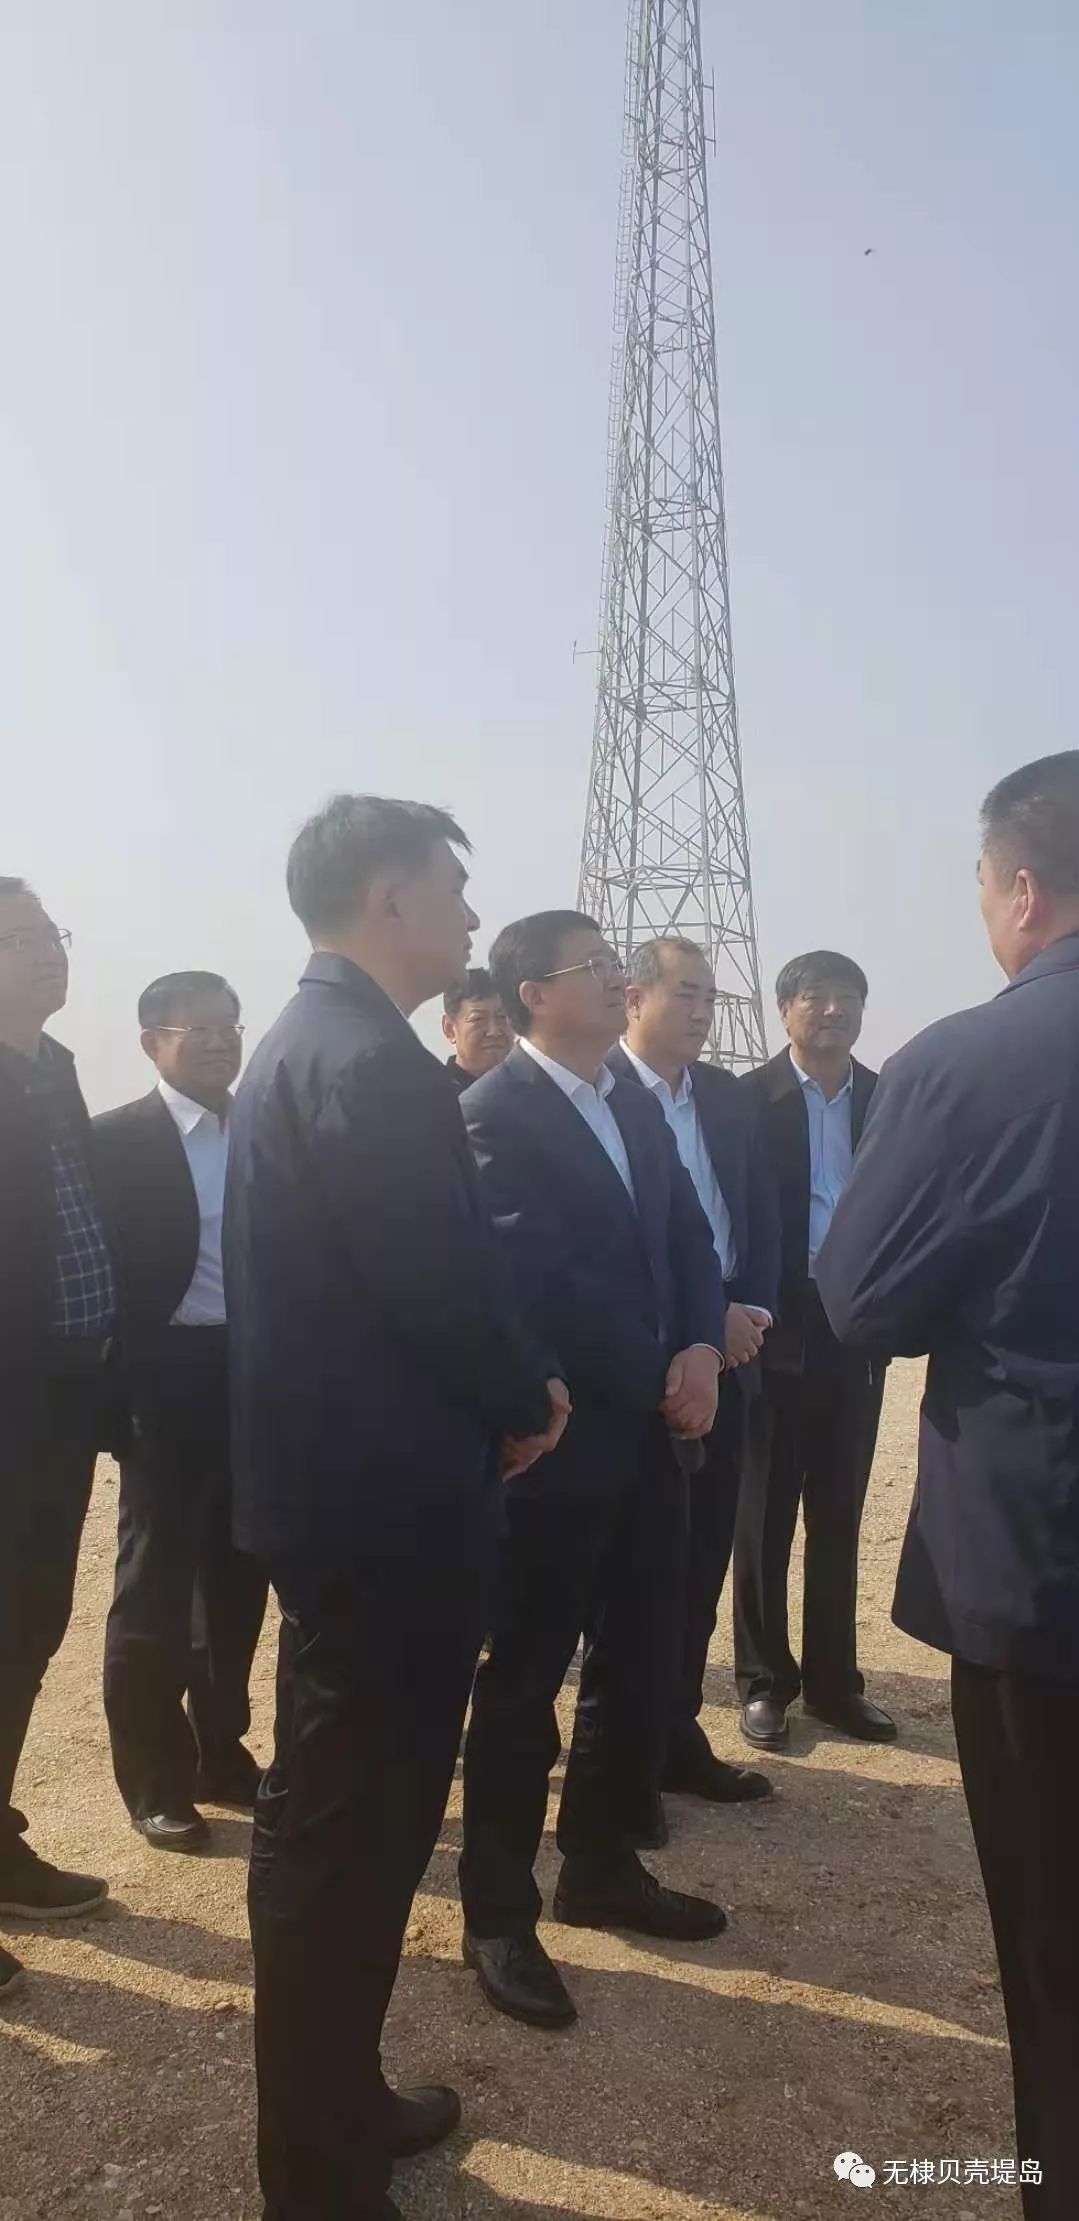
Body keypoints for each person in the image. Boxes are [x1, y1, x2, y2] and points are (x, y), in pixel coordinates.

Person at [224, 796, 566, 2221]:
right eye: (454, 890)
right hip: (384, 1521)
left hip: (359, 1506)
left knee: (358, 1837)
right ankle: (318, 2175)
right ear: (389, 899)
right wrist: (527, 1395)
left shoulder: (325, 1042)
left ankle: (344, 2102)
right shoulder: (367, 1062)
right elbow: (440, 1287)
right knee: (343, 1845)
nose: (472, 919)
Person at [817, 753, 1079, 2221]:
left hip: (1045, 1561)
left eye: (981, 887)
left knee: (1057, 1939)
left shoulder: (970, 1061)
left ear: (1022, 889)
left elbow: (861, 1299)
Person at [459, 910, 728, 2035]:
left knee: (640, 1653)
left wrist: (702, 1342)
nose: (622, 979)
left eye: (620, 964)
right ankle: (497, 1911)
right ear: (533, 992)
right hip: (561, 1441)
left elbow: (687, 1239)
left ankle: (603, 1862)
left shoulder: (631, 1099)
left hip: (654, 1436)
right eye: (598, 966)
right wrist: (651, 1373)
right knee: (525, 1677)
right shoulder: (495, 1113)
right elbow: (524, 1285)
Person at [609, 936, 780, 1823]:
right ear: (632, 997)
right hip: (643, 1374)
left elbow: (759, 1216)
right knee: (635, 1580)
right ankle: (625, 1760)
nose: (704, 1010)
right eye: (686, 993)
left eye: (711, 995)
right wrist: (702, 1322)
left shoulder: (727, 1097)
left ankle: (677, 1734)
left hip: (732, 1359)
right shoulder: (597, 1093)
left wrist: (748, 1313)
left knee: (703, 1558)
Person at [94, 972, 267, 1852]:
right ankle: (155, 1780)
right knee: (157, 1586)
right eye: (198, 1028)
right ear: (152, 1042)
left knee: (239, 1580)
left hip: (255, 1374)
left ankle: (219, 1750)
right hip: (166, 1382)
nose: (220, 1041)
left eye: (229, 1025)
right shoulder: (115, 1141)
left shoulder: (265, 1129)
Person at [733, 953, 896, 1752]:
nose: (834, 1009)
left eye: (848, 997)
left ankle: (836, 1684)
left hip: (855, 1324)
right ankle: (765, 1680)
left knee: (839, 1509)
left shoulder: (887, 1097)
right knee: (764, 1512)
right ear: (784, 1009)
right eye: (816, 996)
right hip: (775, 1322)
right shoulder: (746, 1099)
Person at [0, 879, 109, 2004]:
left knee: (27, 1626)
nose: (47, 954)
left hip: (61, 1408)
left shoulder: (56, 1067)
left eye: (50, 936)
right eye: (21, 939)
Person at [441, 965, 513, 1092]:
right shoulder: (434, 1094)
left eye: (502, 1017)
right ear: (450, 1029)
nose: (494, 1032)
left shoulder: (534, 1090)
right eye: (478, 1019)